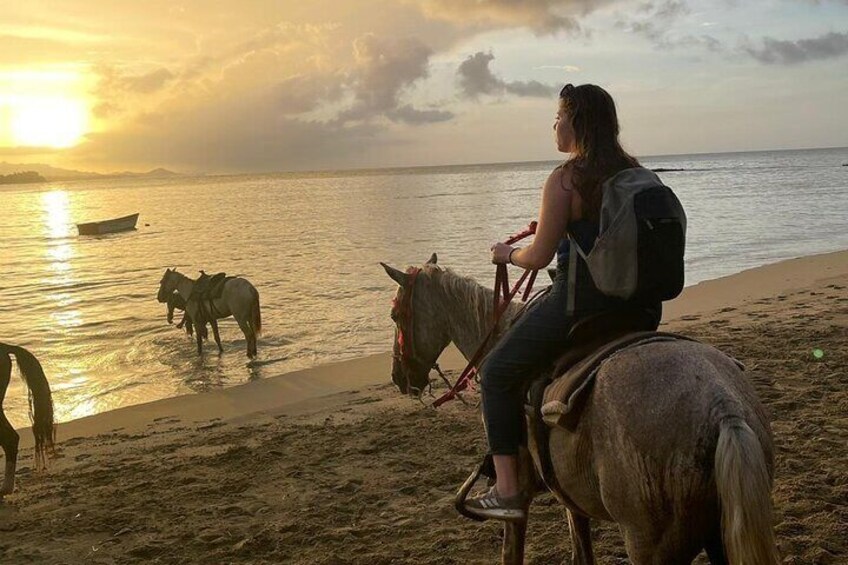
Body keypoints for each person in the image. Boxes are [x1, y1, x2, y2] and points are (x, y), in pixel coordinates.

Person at [464, 83, 657, 521]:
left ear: (577, 122)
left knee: (494, 373)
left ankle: (509, 492)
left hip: (582, 309)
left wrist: (506, 254)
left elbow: (539, 257)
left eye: (558, 116)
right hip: (640, 309)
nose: (554, 124)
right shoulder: (635, 174)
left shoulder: (567, 178)